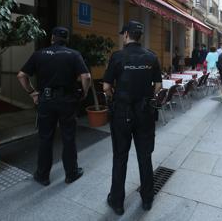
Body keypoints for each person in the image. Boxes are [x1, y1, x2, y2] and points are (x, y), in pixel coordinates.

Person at [17, 26, 92, 186]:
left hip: (46, 100)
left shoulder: (39, 54)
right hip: (67, 100)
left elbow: (21, 75)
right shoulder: (73, 54)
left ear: (52, 38)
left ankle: (42, 176)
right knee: (68, 138)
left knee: (45, 138)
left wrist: (32, 93)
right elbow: (86, 76)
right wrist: (84, 93)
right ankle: (71, 173)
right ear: (67, 40)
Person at [103, 20, 162, 215]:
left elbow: (106, 87)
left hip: (122, 113)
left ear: (127, 34)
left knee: (120, 156)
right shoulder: (151, 57)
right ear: (140, 36)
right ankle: (147, 199)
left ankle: (117, 202)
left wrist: (113, 98)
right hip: (145, 112)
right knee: (144, 156)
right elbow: (158, 86)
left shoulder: (118, 56)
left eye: (123, 34)